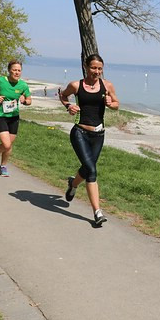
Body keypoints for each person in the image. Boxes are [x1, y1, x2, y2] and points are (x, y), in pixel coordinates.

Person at [59, 54, 119, 226]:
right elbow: (63, 96)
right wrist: (69, 106)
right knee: (92, 170)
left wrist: (110, 103)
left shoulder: (107, 85)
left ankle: (73, 184)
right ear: (86, 67)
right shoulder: (76, 85)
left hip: (98, 135)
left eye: (100, 68)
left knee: (87, 168)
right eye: (93, 68)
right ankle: (97, 212)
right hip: (80, 133)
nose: (97, 72)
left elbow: (117, 104)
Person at [0, 60, 31, 177]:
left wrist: (25, 101)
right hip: (0, 116)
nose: (17, 72)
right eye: (14, 70)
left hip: (14, 117)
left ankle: (3, 166)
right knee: (6, 145)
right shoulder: (0, 80)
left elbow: (29, 100)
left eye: (19, 70)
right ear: (9, 70)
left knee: (9, 145)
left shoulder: (23, 85)